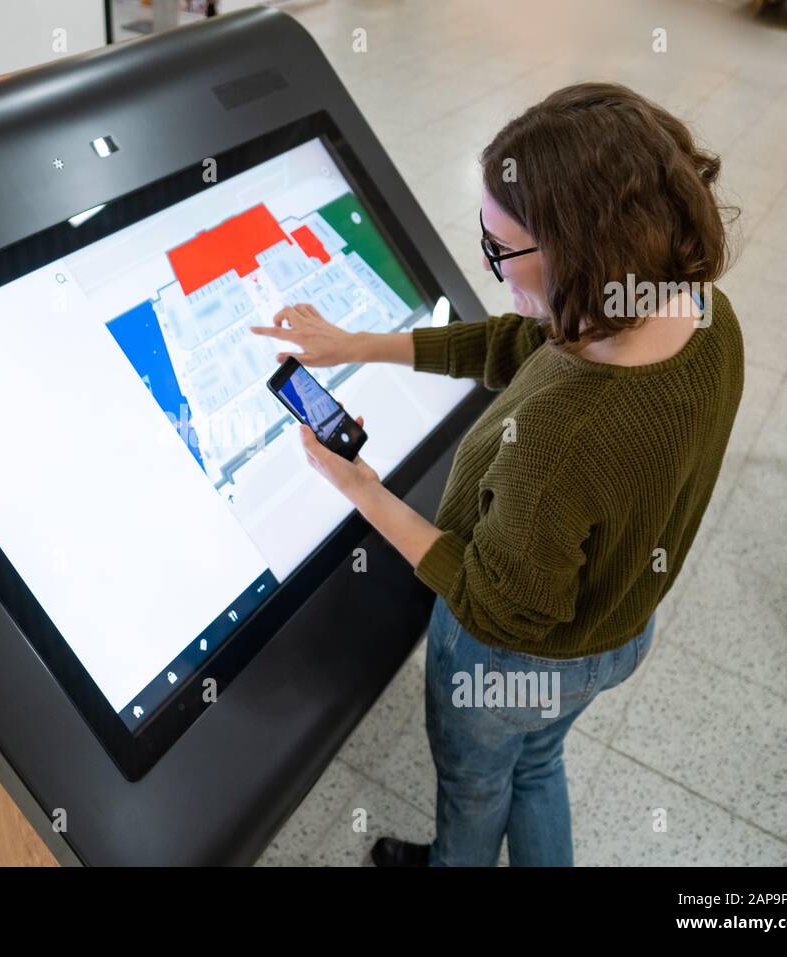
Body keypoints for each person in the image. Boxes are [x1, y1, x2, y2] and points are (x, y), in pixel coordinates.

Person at [250, 82, 743, 866]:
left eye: (500, 251)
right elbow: (516, 345)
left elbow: (493, 603)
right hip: (614, 630)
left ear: (584, 253)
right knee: (539, 760)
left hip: (512, 655)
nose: (492, 269)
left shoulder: (562, 436)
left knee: (476, 785)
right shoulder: (696, 316)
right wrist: (360, 345)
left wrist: (361, 489)